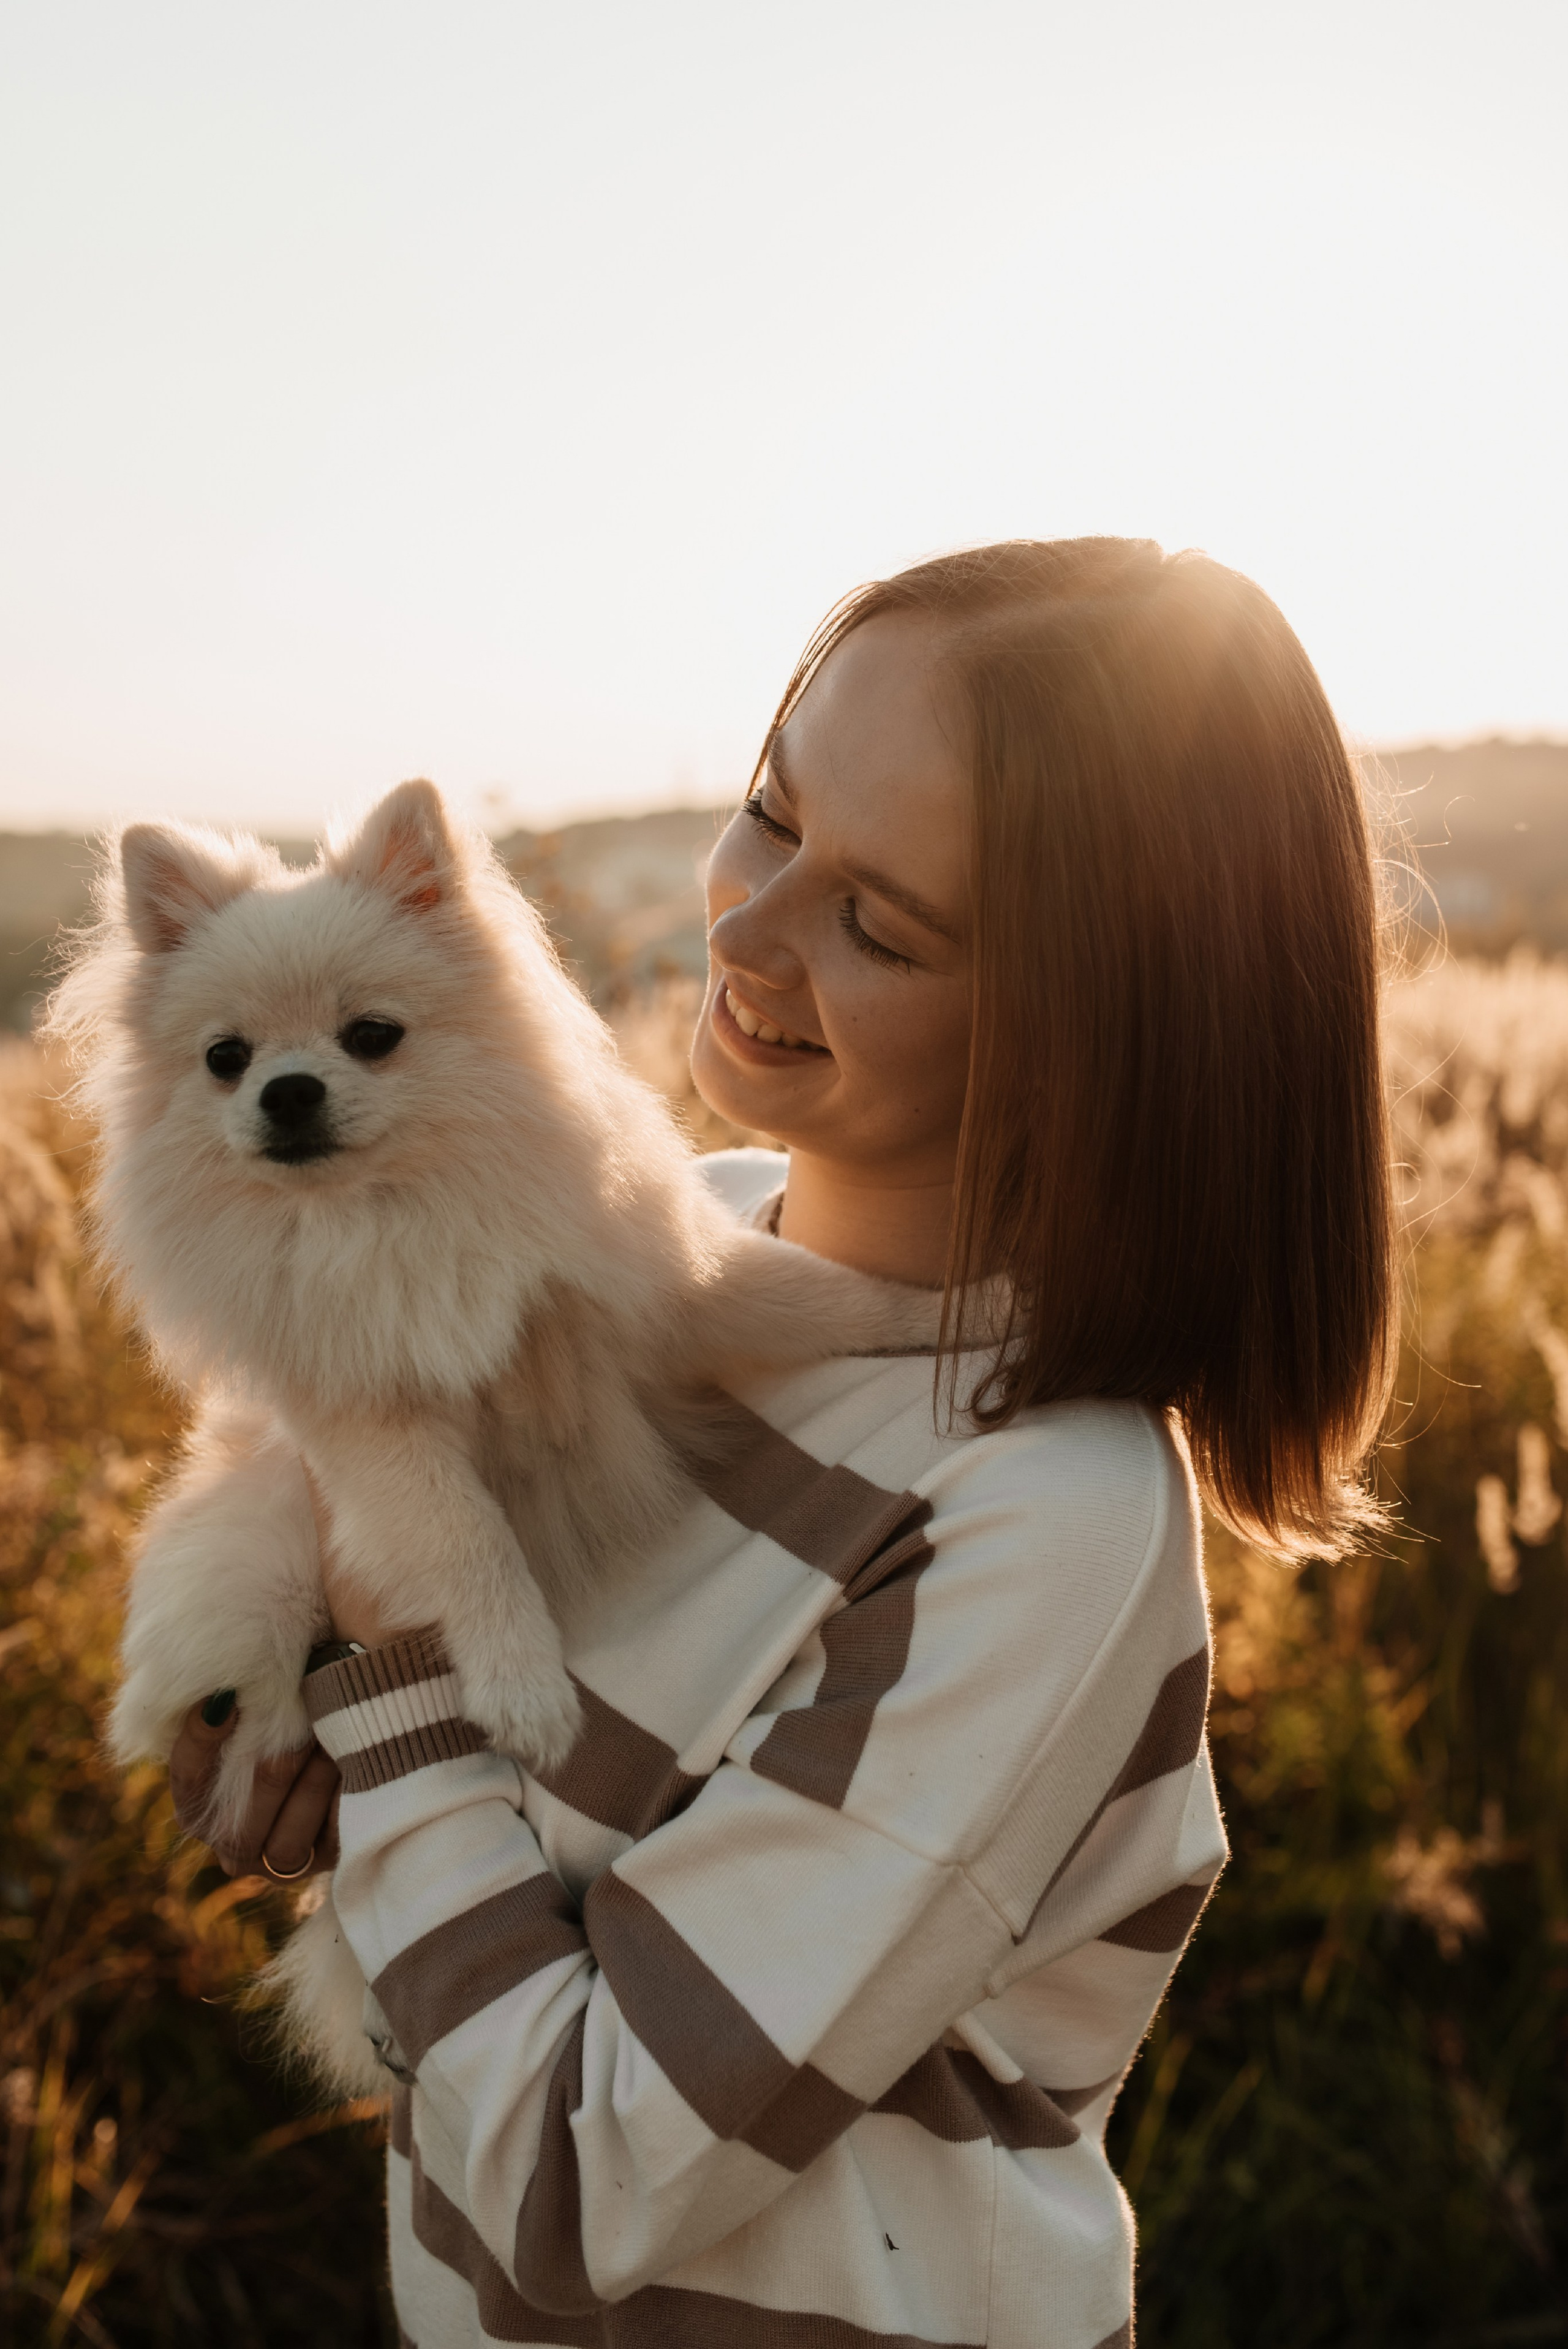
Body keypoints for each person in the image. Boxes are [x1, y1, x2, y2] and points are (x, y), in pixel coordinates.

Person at [169, 538, 1395, 2347]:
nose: (740, 926)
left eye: (879, 922)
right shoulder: (648, 1246)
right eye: (770, 808)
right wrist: (294, 1730)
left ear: (1093, 1040)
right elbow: (445, 1814)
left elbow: (577, 2185)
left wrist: (408, 1693)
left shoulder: (1042, 1510)